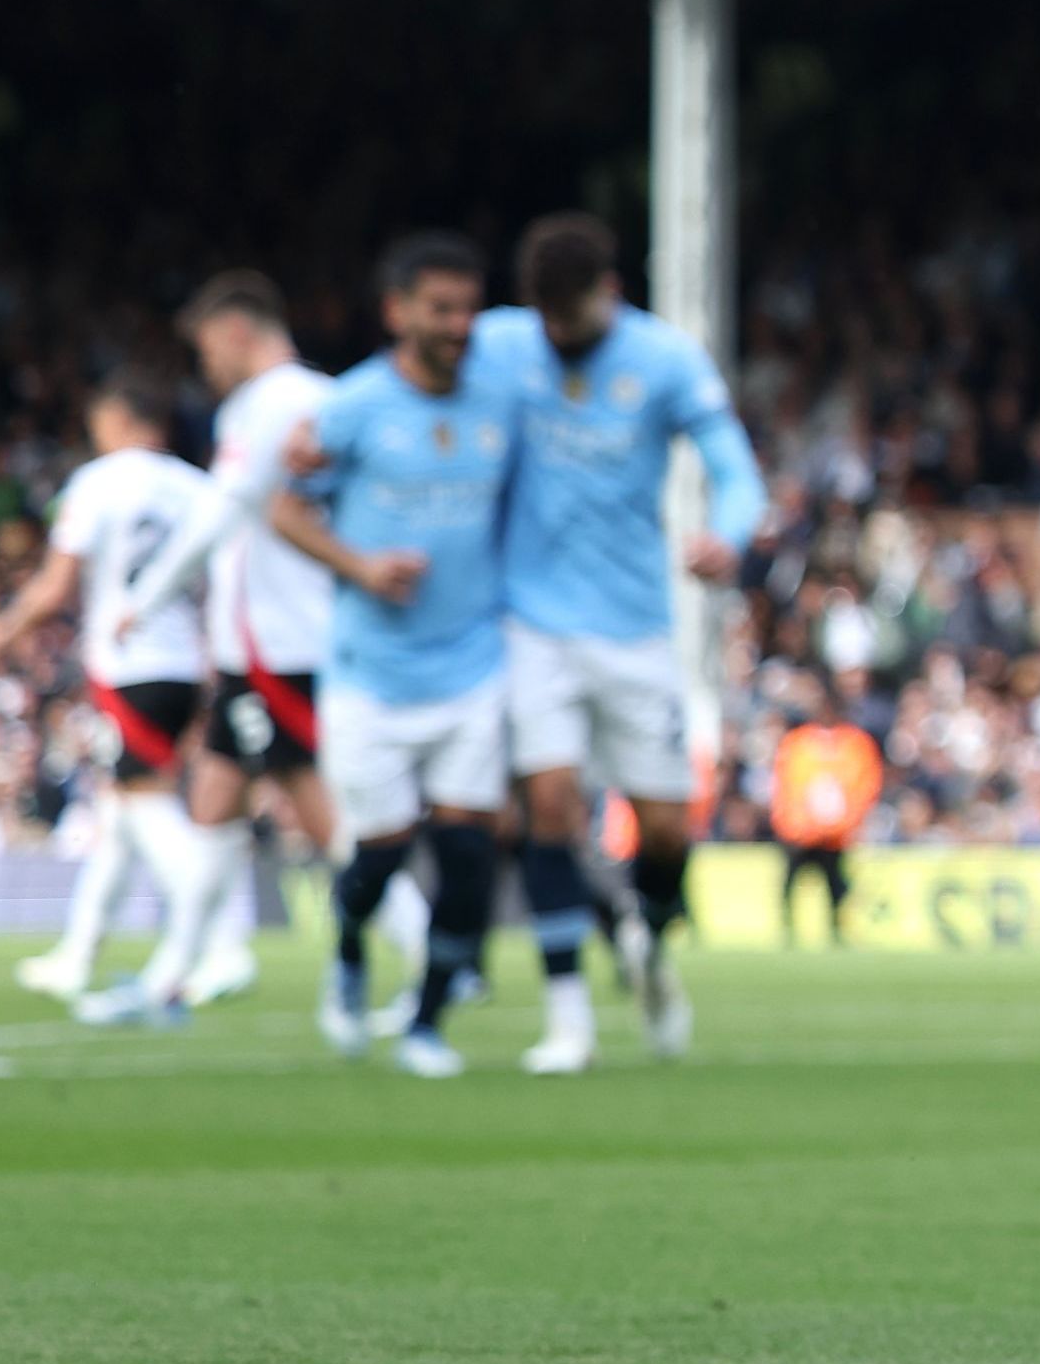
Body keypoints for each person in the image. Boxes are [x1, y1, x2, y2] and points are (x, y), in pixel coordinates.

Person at [469, 213, 765, 1073]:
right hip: (531, 621)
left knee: (666, 826)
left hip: (637, 625)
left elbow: (734, 467)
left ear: (612, 292)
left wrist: (730, 536)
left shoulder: (665, 360)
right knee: (551, 805)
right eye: (546, 319)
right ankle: (569, 1020)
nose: (559, 335)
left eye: (574, 316)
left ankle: (649, 949)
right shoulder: (501, 344)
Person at [266, 234, 520, 1080]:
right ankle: (347, 951)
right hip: (371, 672)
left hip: (473, 663)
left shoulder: (499, 397)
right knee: (377, 852)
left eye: (468, 306)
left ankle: (426, 1021)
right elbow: (286, 511)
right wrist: (363, 568)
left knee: (468, 854)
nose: (459, 323)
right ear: (397, 311)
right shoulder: (353, 407)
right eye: (441, 308)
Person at [118, 272, 347, 1015]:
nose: (206, 365)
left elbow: (227, 510)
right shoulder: (314, 397)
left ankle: (429, 953)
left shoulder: (272, 402)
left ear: (236, 332)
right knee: (213, 807)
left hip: (279, 645)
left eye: (208, 347)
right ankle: (174, 978)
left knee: (322, 817)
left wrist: (145, 594)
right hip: (258, 646)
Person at [0, 386, 218, 1018]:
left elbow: (56, 584)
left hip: (131, 664)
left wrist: (4, 628)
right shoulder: (195, 487)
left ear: (116, 420)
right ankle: (78, 954)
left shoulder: (97, 482)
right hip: (188, 664)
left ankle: (217, 941)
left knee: (143, 806)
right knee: (117, 810)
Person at [767, 699, 882, 944]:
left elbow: (865, 784)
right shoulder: (798, 742)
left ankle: (835, 927)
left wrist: (849, 822)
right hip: (800, 830)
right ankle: (788, 927)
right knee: (792, 880)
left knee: (834, 883)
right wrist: (789, 822)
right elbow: (785, 785)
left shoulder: (853, 742)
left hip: (834, 833)